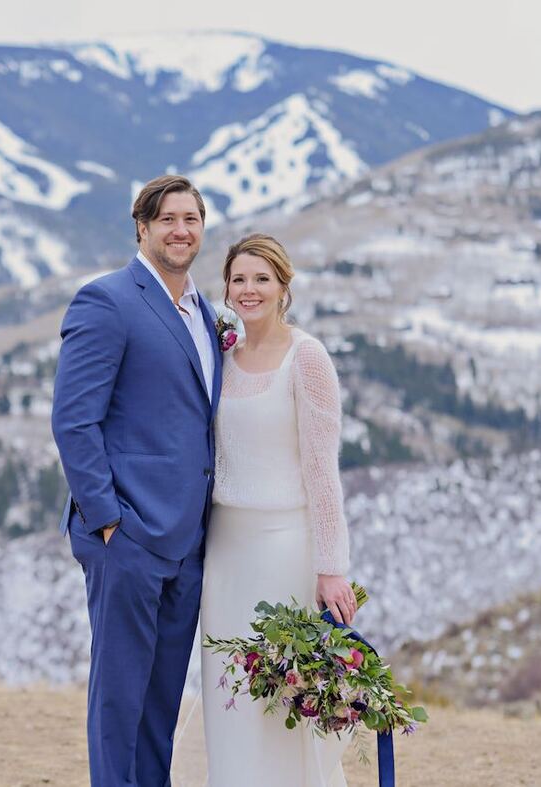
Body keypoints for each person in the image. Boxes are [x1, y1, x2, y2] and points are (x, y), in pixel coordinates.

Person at [52, 174, 223, 787]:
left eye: (192, 219)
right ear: (142, 228)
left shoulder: (206, 314)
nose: (181, 230)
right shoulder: (108, 301)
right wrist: (106, 521)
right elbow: (74, 420)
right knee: (120, 701)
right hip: (126, 538)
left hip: (188, 541)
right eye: (168, 219)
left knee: (161, 707)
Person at [200, 233, 356, 786]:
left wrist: (331, 566)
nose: (249, 290)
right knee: (229, 693)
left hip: (283, 547)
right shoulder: (221, 356)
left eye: (261, 279)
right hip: (225, 549)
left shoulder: (306, 357)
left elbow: (322, 471)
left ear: (283, 287)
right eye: (239, 279)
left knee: (282, 693)